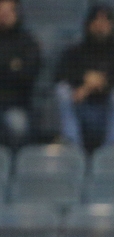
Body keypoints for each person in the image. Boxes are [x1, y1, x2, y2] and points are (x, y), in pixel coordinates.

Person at [54, 4, 114, 150]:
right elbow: (60, 75)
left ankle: (113, 145)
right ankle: (71, 143)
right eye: (97, 21)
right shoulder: (74, 52)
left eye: (105, 21)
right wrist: (84, 81)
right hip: (82, 111)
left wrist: (96, 84)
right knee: (62, 91)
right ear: (88, 24)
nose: (100, 26)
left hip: (107, 112)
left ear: (113, 25)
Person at [0, 0, 39, 148]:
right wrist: (10, 66)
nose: (3, 15)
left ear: (16, 13)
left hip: (15, 104)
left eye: (8, 11)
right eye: (0, 11)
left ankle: (13, 166)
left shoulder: (27, 42)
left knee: (18, 127)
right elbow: (15, 72)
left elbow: (27, 76)